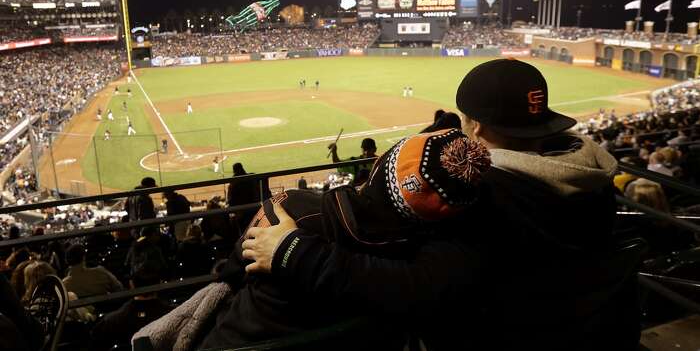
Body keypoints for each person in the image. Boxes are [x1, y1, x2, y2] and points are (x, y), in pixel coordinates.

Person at [243, 59, 641, 350]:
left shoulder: (483, 197)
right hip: (586, 326)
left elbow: (419, 288)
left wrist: (293, 252)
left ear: (475, 127)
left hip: (509, 333)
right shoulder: (592, 176)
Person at [139, 129, 491, 350]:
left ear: (382, 166)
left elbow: (234, 271)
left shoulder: (295, 210)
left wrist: (291, 250)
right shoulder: (434, 252)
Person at [227, 163, 260, 228]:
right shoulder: (251, 178)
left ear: (234, 171)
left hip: (240, 211)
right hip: (253, 207)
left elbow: (230, 199)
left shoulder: (233, 183)